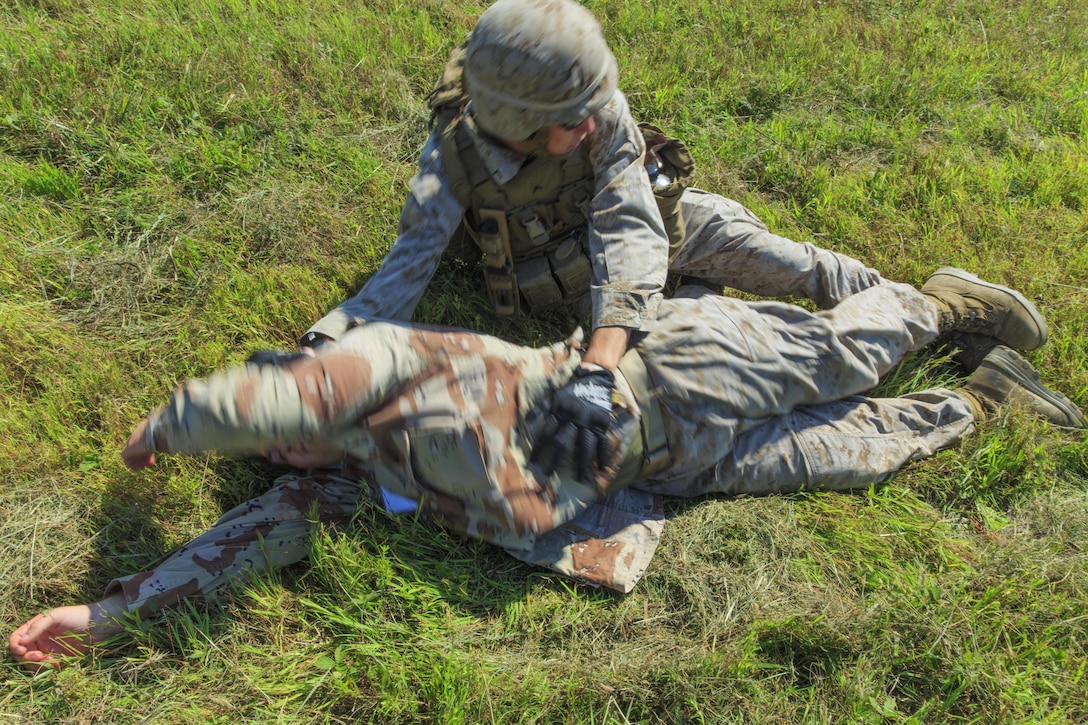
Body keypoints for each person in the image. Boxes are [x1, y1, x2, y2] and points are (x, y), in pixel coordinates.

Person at [9, 274, 1082, 669]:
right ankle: (982, 397)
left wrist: (175, 421)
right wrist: (111, 615)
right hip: (667, 467)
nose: (289, 442)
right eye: (275, 445)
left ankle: (937, 304)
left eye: (290, 414)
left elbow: (290, 392)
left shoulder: (401, 367)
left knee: (839, 352)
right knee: (847, 454)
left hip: (669, 371)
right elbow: (243, 542)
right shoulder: (334, 479)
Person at [295, 0, 1048, 482]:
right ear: (518, 122)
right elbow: (400, 276)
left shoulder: (594, 105)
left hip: (661, 235)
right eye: (573, 119)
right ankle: (919, 331)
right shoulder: (453, 162)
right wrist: (319, 353)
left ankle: (937, 315)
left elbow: (629, 222)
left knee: (796, 265)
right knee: (760, 369)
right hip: (558, 274)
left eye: (596, 103)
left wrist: (600, 362)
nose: (596, 123)